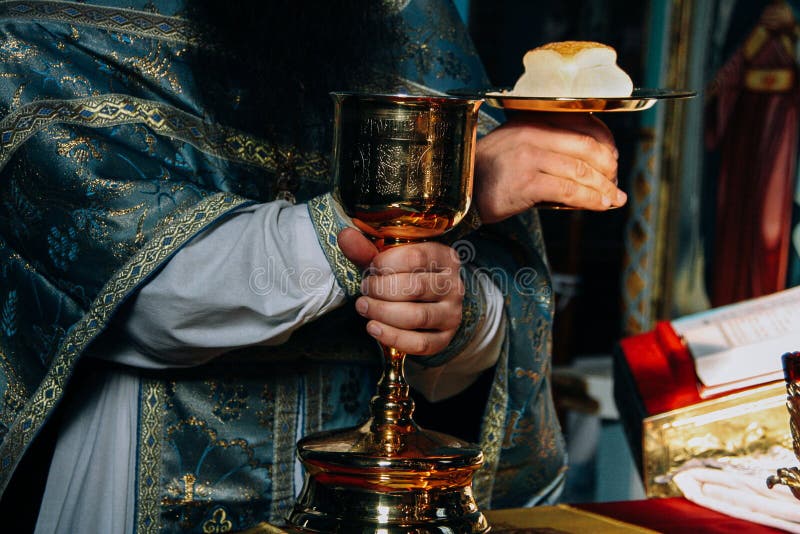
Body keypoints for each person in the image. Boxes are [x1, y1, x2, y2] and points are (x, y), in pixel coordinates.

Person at [0, 1, 623, 532]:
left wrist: (451, 316)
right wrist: (454, 177)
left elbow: (489, 324)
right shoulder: (56, 23)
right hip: (135, 484)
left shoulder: (408, 20)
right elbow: (137, 292)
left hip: (373, 500)